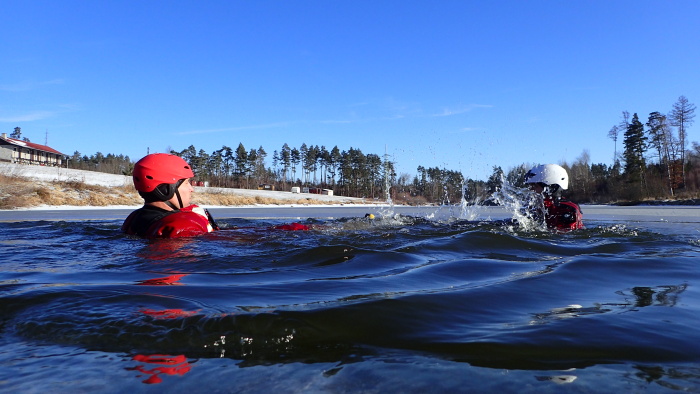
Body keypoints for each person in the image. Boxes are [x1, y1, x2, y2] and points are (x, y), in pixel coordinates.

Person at [524, 164, 583, 231]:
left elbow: (564, 237)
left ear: (551, 188)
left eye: (535, 186)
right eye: (530, 186)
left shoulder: (566, 210)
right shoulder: (533, 207)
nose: (531, 190)